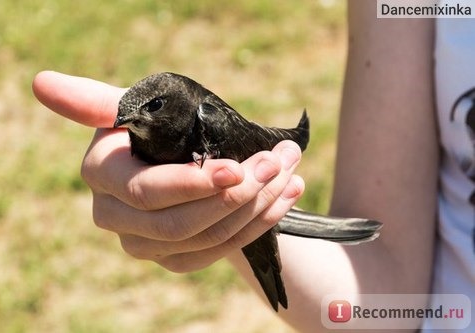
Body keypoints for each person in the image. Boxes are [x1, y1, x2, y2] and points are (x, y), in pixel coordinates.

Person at [32, 1, 474, 331]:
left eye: (148, 112)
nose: (136, 125)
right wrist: (201, 217)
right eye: (131, 120)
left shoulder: (207, 119)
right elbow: (382, 290)